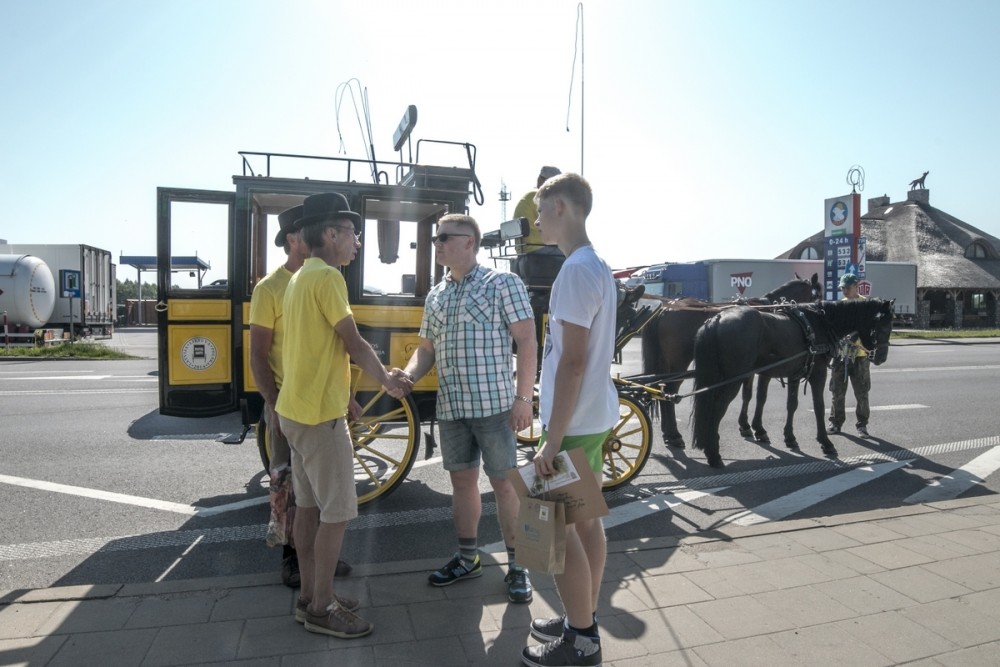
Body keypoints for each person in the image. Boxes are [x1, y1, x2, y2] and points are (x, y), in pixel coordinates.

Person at [275, 192, 410, 639]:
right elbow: (353, 342)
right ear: (330, 234)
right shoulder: (329, 278)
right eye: (352, 232)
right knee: (337, 513)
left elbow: (320, 348)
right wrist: (388, 380)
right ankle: (322, 608)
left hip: (295, 411)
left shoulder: (299, 276)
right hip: (319, 417)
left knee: (309, 509)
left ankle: (311, 595)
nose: (357, 241)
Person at [389, 213, 538, 603]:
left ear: (469, 242)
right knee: (462, 483)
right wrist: (408, 376)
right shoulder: (436, 295)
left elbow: (527, 341)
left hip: (494, 407)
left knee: (505, 485)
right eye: (435, 238)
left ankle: (518, 566)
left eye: (443, 238)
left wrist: (523, 398)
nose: (436, 244)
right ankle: (468, 559)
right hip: (452, 407)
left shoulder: (501, 283)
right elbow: (426, 349)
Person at [523, 173, 617, 667]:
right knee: (585, 525)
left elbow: (573, 362)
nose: (537, 220)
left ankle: (582, 638)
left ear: (560, 206)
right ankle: (583, 617)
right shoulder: (594, 264)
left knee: (556, 536)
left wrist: (551, 439)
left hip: (572, 423)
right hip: (592, 415)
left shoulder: (576, 271)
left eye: (540, 210)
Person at [248, 205, 351, 589]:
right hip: (287, 401)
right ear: (292, 240)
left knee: (312, 492)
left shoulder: (311, 278)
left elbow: (329, 349)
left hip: (316, 401)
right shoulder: (270, 287)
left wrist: (347, 397)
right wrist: (273, 402)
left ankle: (316, 566)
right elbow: (258, 355)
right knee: (286, 482)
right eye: (302, 232)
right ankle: (292, 560)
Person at [828, 272, 872, 438]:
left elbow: (870, 329)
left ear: (856, 286)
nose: (844, 291)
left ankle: (862, 425)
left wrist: (856, 335)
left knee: (862, 392)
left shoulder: (866, 305)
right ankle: (835, 422)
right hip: (841, 356)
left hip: (860, 356)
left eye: (847, 287)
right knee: (837, 392)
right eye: (842, 288)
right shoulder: (840, 305)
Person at [513, 166, 561, 255]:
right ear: (543, 180)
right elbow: (552, 225)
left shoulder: (529, 196)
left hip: (525, 250)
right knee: (573, 253)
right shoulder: (539, 196)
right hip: (538, 249)